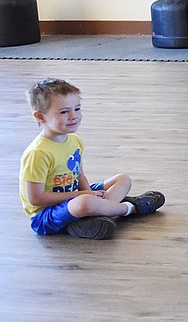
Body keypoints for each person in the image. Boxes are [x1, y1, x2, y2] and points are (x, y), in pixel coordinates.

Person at [19, 78, 164, 241]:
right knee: (85, 203)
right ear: (40, 117)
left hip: (74, 195)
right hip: (46, 215)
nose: (74, 116)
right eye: (64, 112)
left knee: (122, 179)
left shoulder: (75, 141)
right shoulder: (38, 153)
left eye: (77, 108)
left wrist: (91, 192)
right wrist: (85, 195)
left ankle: (96, 214)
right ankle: (130, 208)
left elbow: (79, 175)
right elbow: (36, 198)